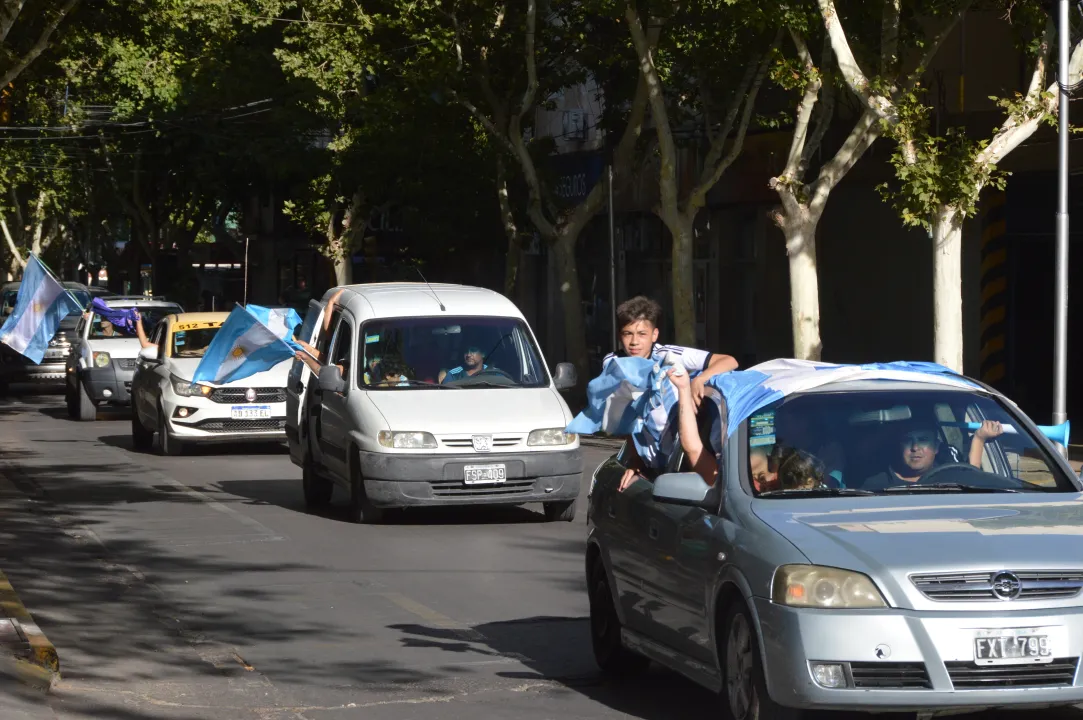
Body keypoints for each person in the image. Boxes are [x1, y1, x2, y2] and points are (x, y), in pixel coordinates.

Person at [611, 296, 738, 491]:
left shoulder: (669, 355)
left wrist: (700, 380)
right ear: (620, 336)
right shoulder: (612, 365)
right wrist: (635, 462)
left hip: (685, 465)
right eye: (628, 334)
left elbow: (729, 361)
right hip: (651, 471)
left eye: (642, 334)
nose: (634, 342)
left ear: (655, 335)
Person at [862, 420, 1003, 492]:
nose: (915, 448)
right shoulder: (875, 485)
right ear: (899, 447)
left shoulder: (949, 477)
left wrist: (979, 439)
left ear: (936, 447)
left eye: (923, 440)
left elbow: (972, 478)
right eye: (907, 440)